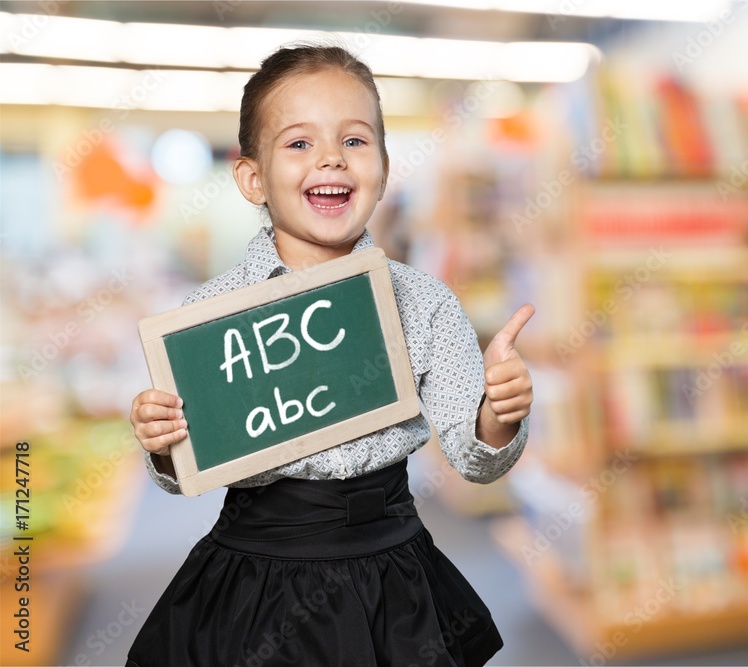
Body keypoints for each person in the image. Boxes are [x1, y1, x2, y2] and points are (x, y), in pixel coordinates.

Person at [126, 43, 534, 667]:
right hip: (258, 573)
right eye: (298, 143)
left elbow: (474, 458)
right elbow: (186, 471)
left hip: (391, 569)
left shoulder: (424, 303)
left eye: (354, 140)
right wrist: (163, 442)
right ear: (253, 178)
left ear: (384, 167)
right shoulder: (209, 317)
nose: (330, 160)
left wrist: (497, 415)